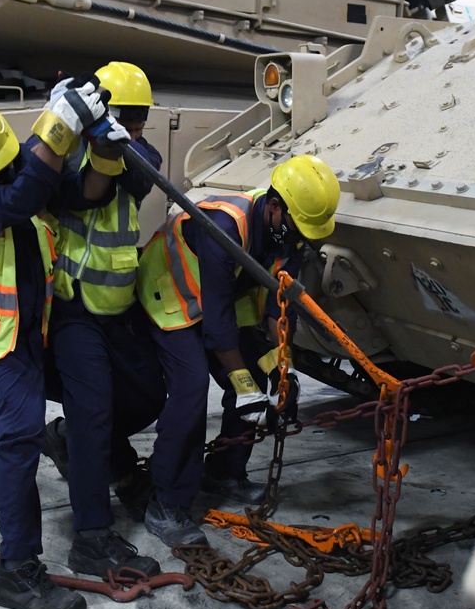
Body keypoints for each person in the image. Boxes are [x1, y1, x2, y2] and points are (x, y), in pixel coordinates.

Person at [0, 78, 133, 609]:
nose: (6, 169)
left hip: (21, 338)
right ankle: (15, 574)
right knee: (19, 436)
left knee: (96, 402)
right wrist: (57, 124)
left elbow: (82, 194)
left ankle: (90, 533)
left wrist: (105, 156)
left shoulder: (7, 166)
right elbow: (18, 200)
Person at [135, 154, 341, 547]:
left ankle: (224, 472)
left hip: (225, 296)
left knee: (260, 377)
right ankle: (166, 503)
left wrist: (285, 370)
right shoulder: (225, 226)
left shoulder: (288, 233)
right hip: (171, 294)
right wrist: (244, 385)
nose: (302, 240)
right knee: (192, 389)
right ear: (276, 207)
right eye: (300, 229)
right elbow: (217, 322)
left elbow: (278, 307)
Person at [39, 62, 166, 578]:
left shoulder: (139, 152)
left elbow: (138, 171)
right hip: (73, 310)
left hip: (117, 308)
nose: (136, 127)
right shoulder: (65, 161)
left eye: (140, 119)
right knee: (94, 416)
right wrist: (77, 128)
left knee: (146, 395)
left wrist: (112, 138)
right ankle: (91, 537)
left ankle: (70, 440)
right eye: (126, 117)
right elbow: (72, 188)